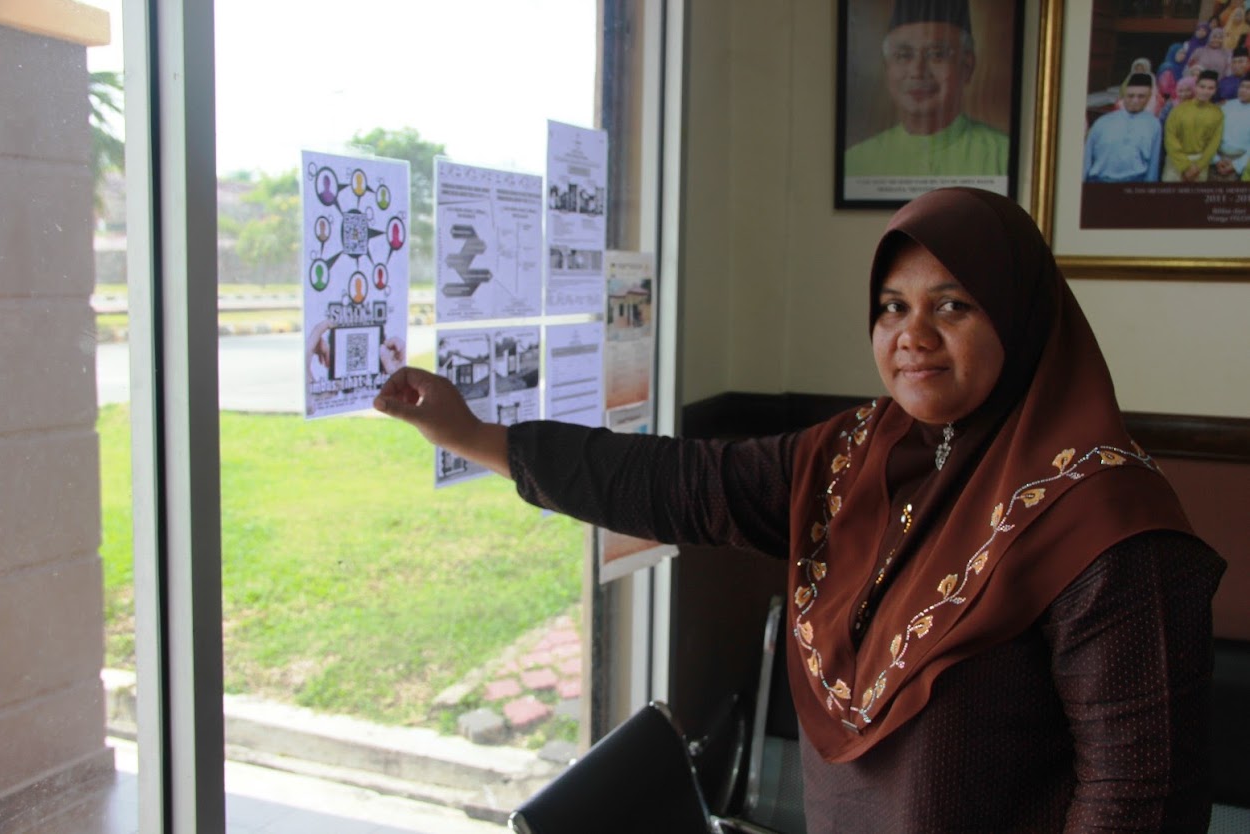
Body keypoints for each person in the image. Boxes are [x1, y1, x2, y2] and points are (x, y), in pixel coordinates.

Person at [375, 188, 1225, 833]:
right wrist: (473, 436)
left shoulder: (1106, 524)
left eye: (953, 305)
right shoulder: (854, 453)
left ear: (1021, 319)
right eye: (892, 306)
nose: (912, 335)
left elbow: (1138, 799)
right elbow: (678, 483)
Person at [843, 0, 1009, 178]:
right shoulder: (856, 161)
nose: (917, 72)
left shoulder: (1003, 155)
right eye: (903, 55)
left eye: (937, 55)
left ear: (967, 66)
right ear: (887, 67)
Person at [1084, 72, 1162, 182]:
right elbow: (1087, 158)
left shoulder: (1154, 124)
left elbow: (1154, 163)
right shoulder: (1103, 122)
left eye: (1141, 97)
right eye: (1131, 96)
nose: (1135, 101)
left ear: (1149, 97)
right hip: (1100, 181)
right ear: (1123, 95)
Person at [1163, 69, 1224, 181]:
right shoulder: (1179, 109)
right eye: (1202, 87)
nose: (1205, 91)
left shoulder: (1217, 113)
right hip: (1175, 161)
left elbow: (1214, 143)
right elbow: (1170, 138)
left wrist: (1198, 166)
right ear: (1195, 87)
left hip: (1200, 163)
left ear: (1215, 90)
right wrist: (1185, 166)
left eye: (1210, 88)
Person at [1214, 73, 1250, 180]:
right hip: (1217, 157)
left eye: (1248, 88)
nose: (1243, 90)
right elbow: (1212, 134)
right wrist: (1216, 159)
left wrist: (1236, 165)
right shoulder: (1226, 106)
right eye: (1242, 86)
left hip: (1241, 160)